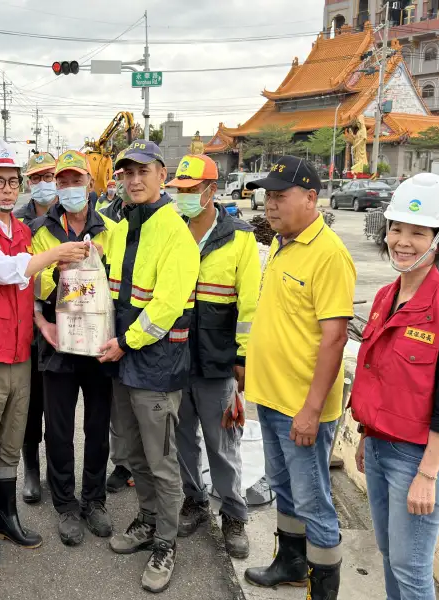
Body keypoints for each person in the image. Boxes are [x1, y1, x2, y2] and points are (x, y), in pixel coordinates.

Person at [0, 139, 89, 576]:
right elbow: (6, 271)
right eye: (1, 182)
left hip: (19, 352)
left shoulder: (24, 232)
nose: (10, 190)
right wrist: (55, 254)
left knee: (10, 443)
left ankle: (5, 518)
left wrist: (67, 282)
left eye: (14, 182)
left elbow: (30, 286)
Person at [243, 156, 356, 599]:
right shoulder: (281, 242)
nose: (270, 205)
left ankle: (322, 590)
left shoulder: (329, 255)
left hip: (302, 408)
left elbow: (334, 339)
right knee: (286, 492)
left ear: (311, 198)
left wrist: (311, 410)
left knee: (314, 503)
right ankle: (290, 563)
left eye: (280, 196)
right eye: (268, 196)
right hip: (270, 398)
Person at [351, 173, 439, 600]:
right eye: (396, 228)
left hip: (418, 459)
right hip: (380, 448)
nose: (402, 241)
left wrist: (427, 474)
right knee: (388, 555)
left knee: (412, 571)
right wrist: (365, 435)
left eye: (418, 233)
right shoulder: (384, 297)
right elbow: (378, 376)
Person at [99, 140, 200, 594]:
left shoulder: (175, 232)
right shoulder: (123, 226)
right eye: (126, 172)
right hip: (124, 361)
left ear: (163, 175)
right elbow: (110, 285)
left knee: (162, 460)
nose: (133, 180)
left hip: (155, 363)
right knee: (133, 453)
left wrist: (124, 342)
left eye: (143, 171)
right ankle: (145, 518)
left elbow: (164, 307)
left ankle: (166, 542)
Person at [168, 154, 260, 558]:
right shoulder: (173, 231)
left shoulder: (239, 238)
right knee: (182, 437)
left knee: (222, 441)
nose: (184, 197)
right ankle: (195, 500)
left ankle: (234, 514)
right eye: (179, 190)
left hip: (219, 359)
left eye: (190, 190)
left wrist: (242, 359)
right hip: (175, 354)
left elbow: (250, 306)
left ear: (211, 190)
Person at [31, 150, 115, 546]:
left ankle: (94, 500)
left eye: (74, 180)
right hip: (58, 344)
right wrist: (55, 270)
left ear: (90, 184)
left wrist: (98, 269)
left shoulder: (110, 230)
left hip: (99, 344)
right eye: (61, 182)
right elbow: (28, 284)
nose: (67, 188)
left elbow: (119, 288)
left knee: (97, 428)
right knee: (59, 430)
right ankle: (65, 505)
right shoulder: (41, 232)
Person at [15, 151, 58, 505]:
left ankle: (54, 470)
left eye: (49, 176)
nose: (43, 183)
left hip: (64, 325)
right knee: (31, 407)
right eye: (37, 177)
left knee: (56, 403)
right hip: (29, 326)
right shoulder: (19, 223)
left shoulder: (73, 218)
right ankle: (30, 468)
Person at [102, 162, 133, 494]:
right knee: (119, 406)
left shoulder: (167, 220)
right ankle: (122, 462)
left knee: (152, 411)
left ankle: (148, 469)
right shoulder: (109, 219)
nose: (130, 182)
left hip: (147, 332)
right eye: (126, 176)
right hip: (114, 326)